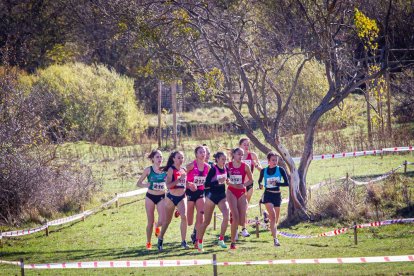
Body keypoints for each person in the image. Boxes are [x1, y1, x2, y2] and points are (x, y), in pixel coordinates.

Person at [157, 151, 196, 252]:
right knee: (167, 221)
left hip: (182, 196)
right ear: (173, 159)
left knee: (184, 217)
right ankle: (160, 238)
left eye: (182, 158)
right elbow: (168, 185)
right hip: (171, 197)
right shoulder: (171, 169)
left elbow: (184, 183)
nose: (181, 160)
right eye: (178, 158)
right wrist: (179, 180)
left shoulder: (183, 170)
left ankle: (183, 241)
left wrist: (190, 185)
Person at [196, 151, 230, 252]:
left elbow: (227, 178)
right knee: (206, 221)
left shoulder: (226, 168)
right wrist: (217, 182)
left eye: (225, 159)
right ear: (217, 159)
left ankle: (221, 239)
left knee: (226, 216)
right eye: (222, 159)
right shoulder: (213, 169)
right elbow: (206, 184)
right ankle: (200, 241)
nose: (224, 161)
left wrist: (227, 181)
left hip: (222, 196)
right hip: (211, 197)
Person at [136, 150, 166, 250]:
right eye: (157, 157)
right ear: (153, 159)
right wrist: (145, 185)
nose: (160, 159)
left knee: (162, 220)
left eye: (161, 157)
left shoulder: (165, 170)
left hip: (161, 197)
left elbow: (170, 181)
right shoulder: (148, 170)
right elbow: (138, 183)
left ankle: (157, 226)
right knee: (150, 221)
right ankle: (148, 242)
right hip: (150, 197)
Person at [258, 151, 289, 247]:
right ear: (268, 161)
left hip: (277, 195)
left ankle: (266, 215)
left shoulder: (281, 170)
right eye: (273, 160)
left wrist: (278, 184)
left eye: (276, 160)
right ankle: (275, 240)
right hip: (268, 195)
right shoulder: (264, 171)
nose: (275, 162)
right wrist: (260, 185)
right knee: (274, 217)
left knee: (275, 220)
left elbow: (287, 183)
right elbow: (259, 181)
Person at [226, 147, 253, 249]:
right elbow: (221, 173)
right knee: (235, 216)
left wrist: (244, 185)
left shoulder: (245, 166)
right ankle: (233, 242)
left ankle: (240, 229)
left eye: (242, 155)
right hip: (231, 192)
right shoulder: (227, 165)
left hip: (241, 192)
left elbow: (251, 180)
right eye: (239, 154)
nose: (241, 156)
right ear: (234, 155)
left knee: (242, 219)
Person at [185, 145, 210, 247]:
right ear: (196, 154)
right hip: (190, 193)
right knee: (189, 221)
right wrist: (189, 184)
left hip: (200, 193)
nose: (203, 154)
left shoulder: (207, 167)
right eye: (200, 152)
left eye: (204, 152)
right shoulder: (191, 165)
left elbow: (210, 180)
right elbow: (180, 177)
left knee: (201, 217)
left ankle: (198, 240)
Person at [239, 137, 262, 237]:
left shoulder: (252, 155)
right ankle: (242, 228)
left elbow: (261, 170)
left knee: (245, 206)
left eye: (248, 144)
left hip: (249, 183)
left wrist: (256, 165)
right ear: (240, 145)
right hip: (239, 184)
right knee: (242, 206)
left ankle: (243, 228)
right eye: (244, 144)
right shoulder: (236, 155)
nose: (246, 146)